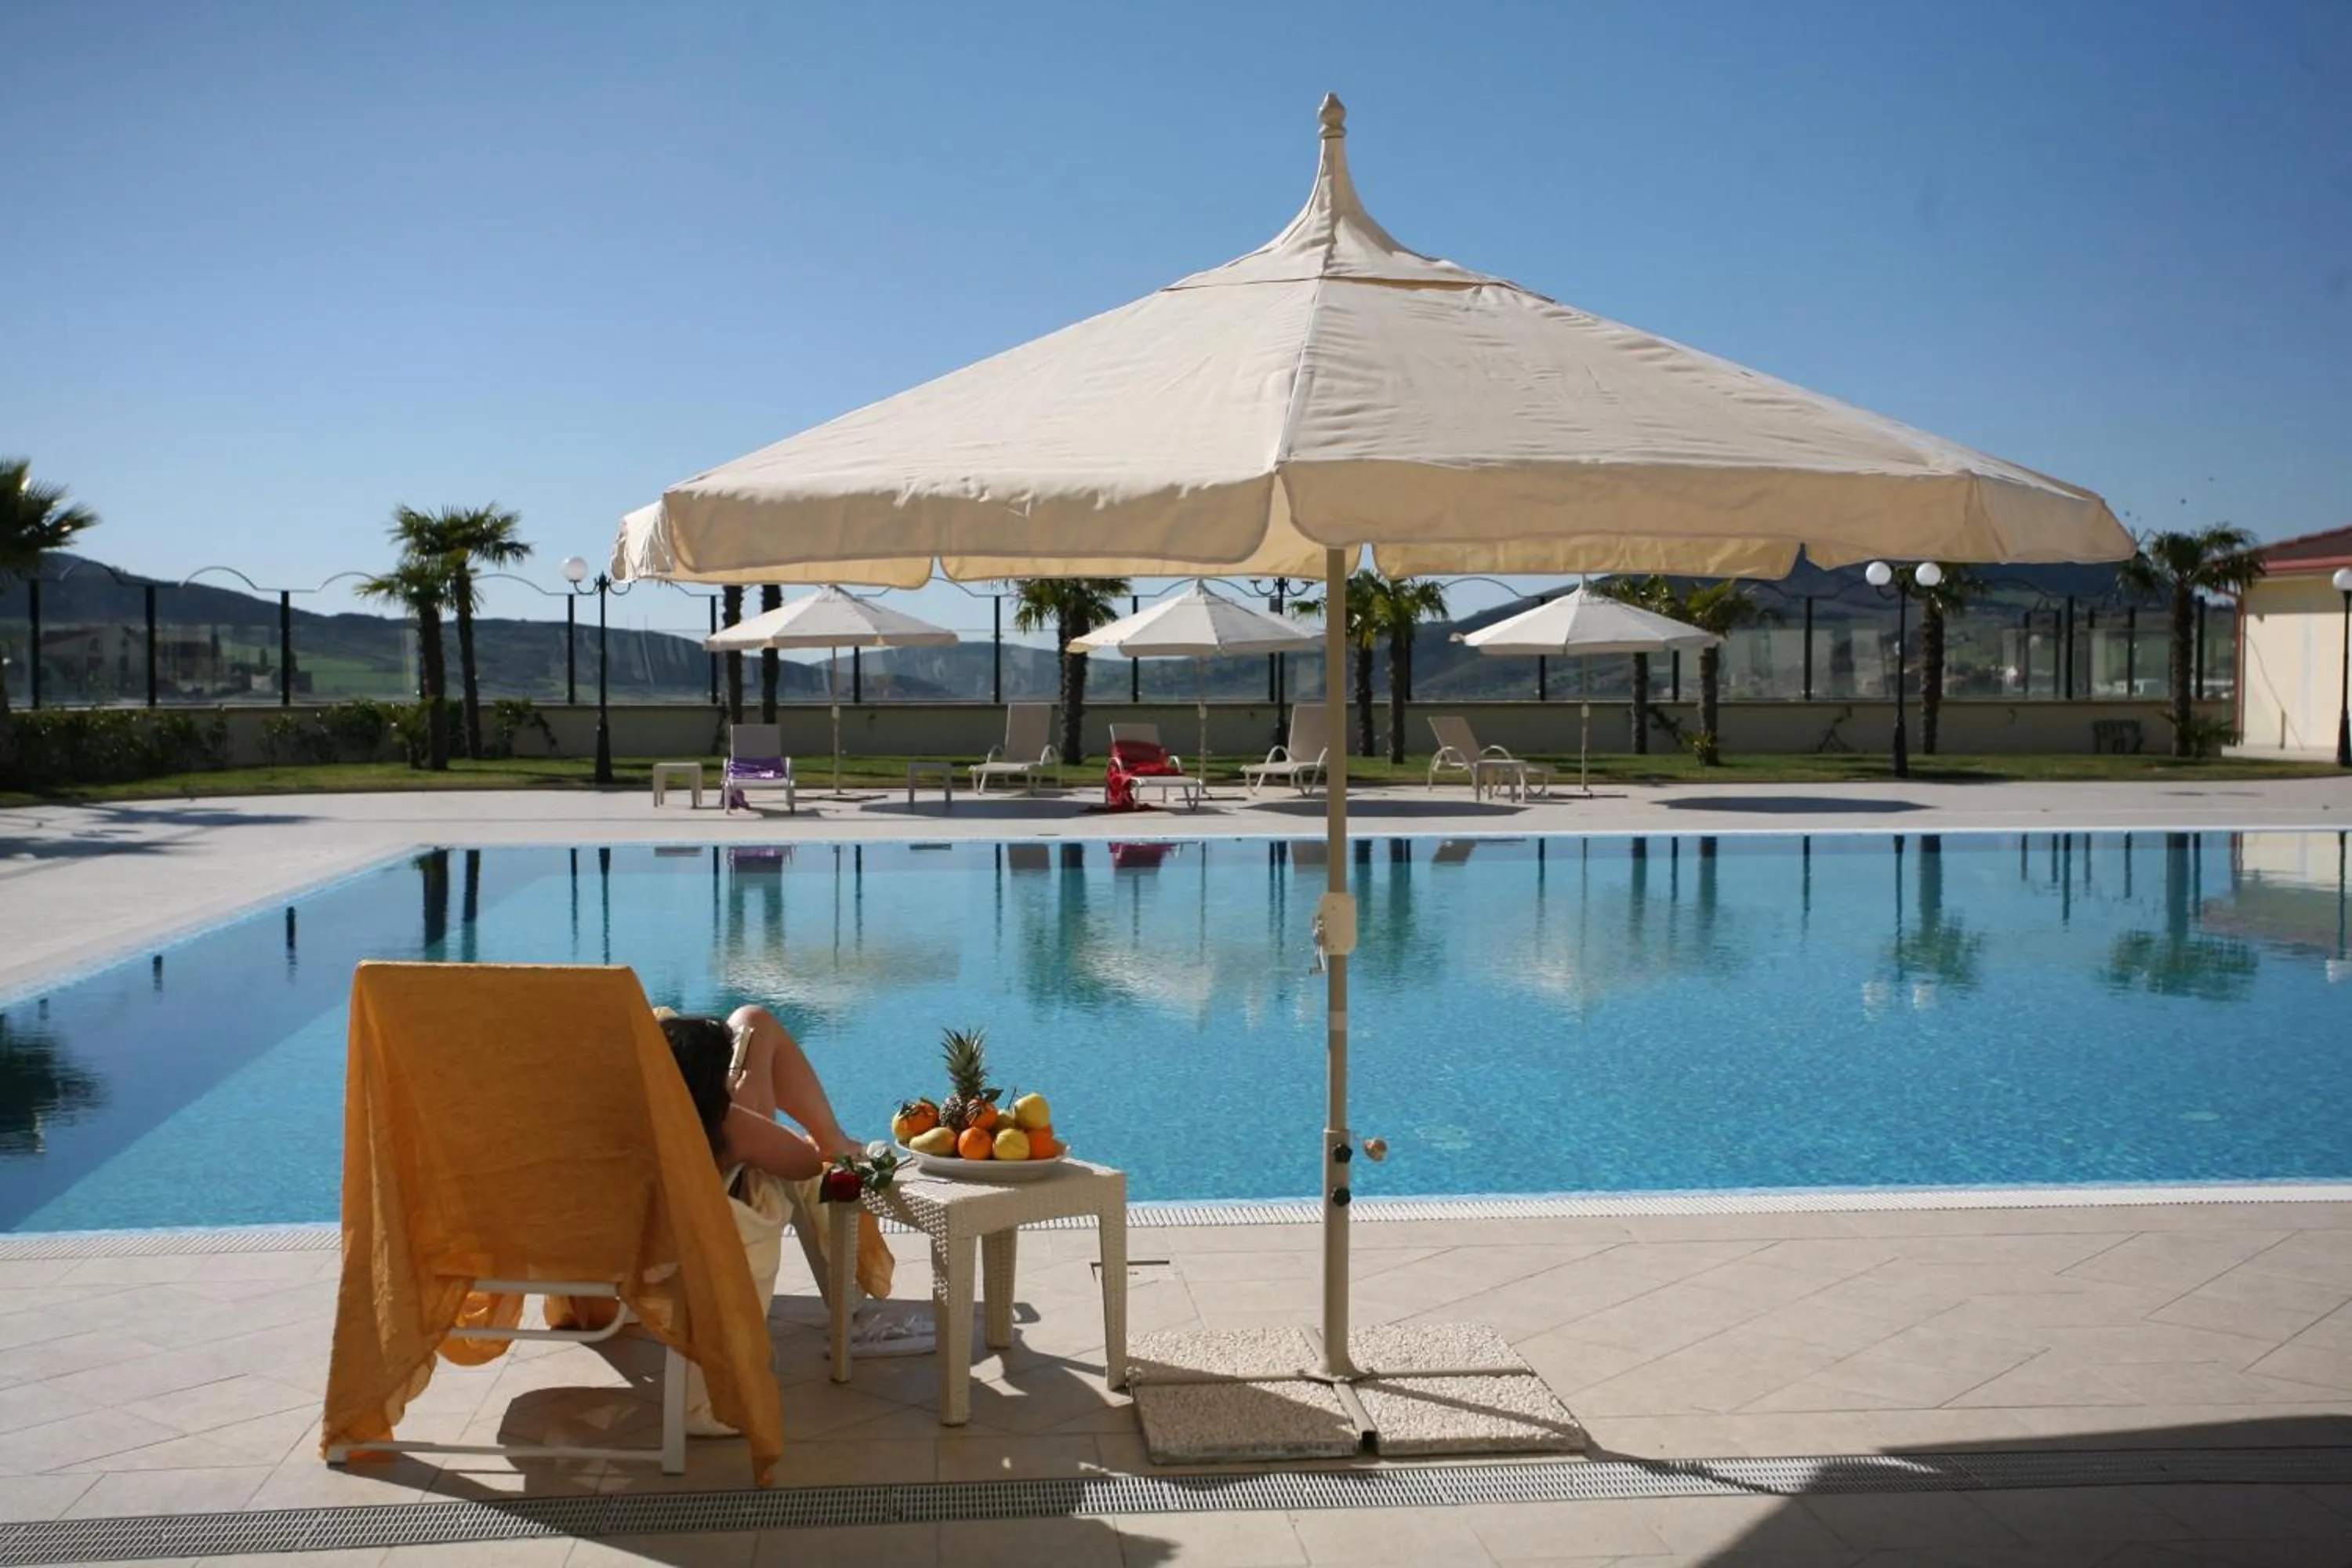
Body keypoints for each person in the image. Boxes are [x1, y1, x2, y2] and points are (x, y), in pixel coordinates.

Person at [656, 1004, 865, 1182]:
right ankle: (835, 1144)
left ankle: (833, 1141)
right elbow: (808, 1164)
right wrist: (747, 1111)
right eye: (728, 1068)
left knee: (753, 1020)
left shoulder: (653, 1109)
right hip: (736, 1196)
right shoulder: (730, 1124)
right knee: (754, 1021)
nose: (733, 1072)